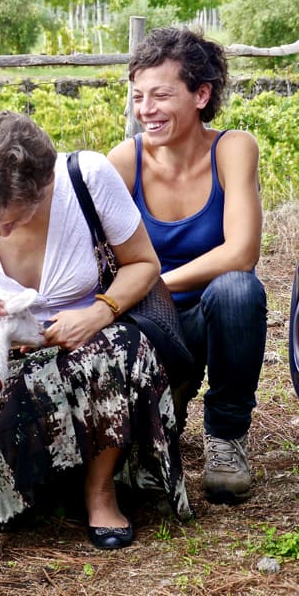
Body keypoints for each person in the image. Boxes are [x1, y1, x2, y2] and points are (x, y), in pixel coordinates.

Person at [0, 110, 192, 551]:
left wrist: (100, 312)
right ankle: (36, 487)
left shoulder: (86, 177)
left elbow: (144, 265)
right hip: (9, 354)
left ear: (43, 186)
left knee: (119, 347)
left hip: (89, 341)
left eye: (10, 219)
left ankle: (100, 490)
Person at [108, 27, 267, 505]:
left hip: (210, 319)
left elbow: (241, 252)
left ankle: (226, 437)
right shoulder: (124, 161)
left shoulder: (233, 149)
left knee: (237, 288)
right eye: (138, 96)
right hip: (147, 327)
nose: (146, 110)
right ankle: (162, 408)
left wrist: (151, 282)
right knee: (143, 476)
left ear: (202, 94)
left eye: (161, 95)